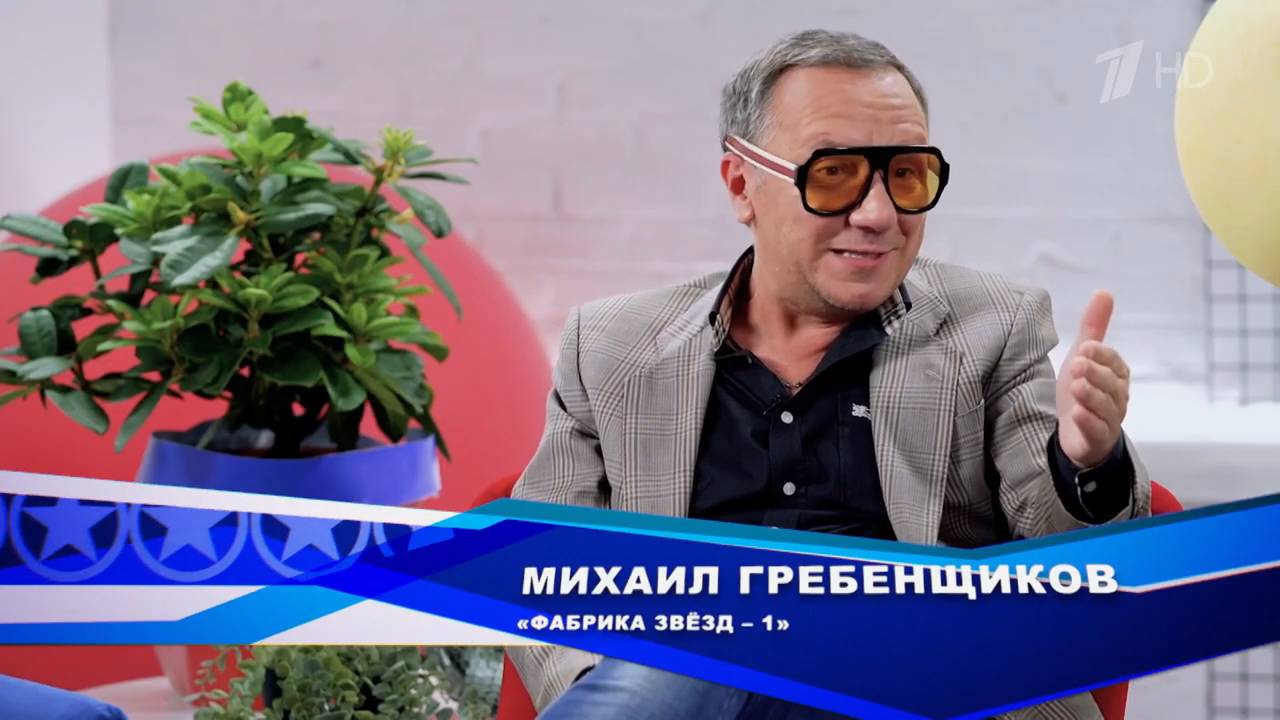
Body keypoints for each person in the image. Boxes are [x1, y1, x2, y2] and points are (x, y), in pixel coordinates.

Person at [509, 28, 1151, 719]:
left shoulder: (994, 326)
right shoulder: (613, 347)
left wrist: (1086, 463)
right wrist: (610, 689)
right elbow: (546, 565)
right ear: (742, 186)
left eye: (905, 176)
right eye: (834, 174)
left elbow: (1068, 567)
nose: (878, 215)